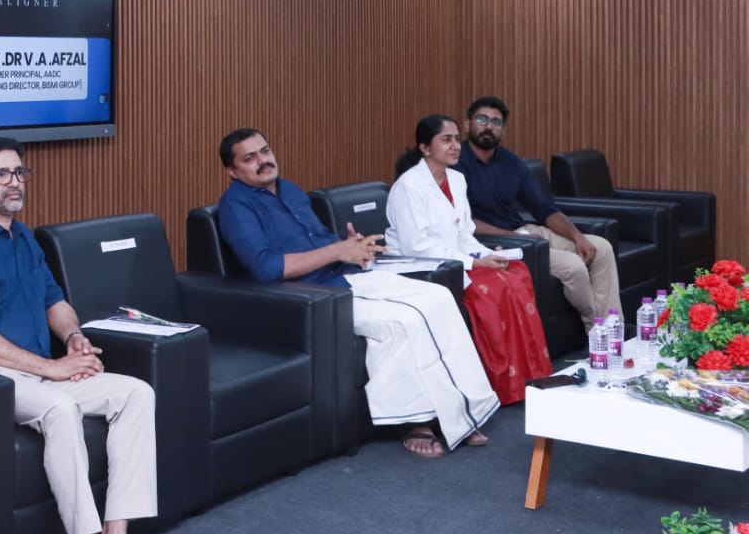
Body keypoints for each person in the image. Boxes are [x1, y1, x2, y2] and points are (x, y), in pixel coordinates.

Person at [0, 138, 172, 534]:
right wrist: (51, 368)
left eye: (20, 172)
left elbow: (55, 300)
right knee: (59, 408)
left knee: (136, 393)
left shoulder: (25, 238)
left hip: (40, 369)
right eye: (1, 175)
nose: (15, 182)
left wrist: (72, 336)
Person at [217, 128, 498, 459]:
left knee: (439, 297)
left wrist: (353, 246)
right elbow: (265, 267)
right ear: (232, 171)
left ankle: (469, 409)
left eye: (265, 151)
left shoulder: (290, 190)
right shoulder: (235, 205)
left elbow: (320, 240)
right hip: (311, 295)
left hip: (346, 275)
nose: (263, 161)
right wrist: (337, 251)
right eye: (250, 158)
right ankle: (416, 422)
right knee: (405, 320)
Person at [385, 115, 552, 405]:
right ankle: (501, 383)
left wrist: (485, 254)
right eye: (445, 140)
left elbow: (464, 234)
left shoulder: (457, 179)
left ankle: (529, 374)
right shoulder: (408, 186)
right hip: (426, 268)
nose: (455, 146)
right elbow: (418, 247)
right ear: (425, 148)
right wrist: (473, 263)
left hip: (459, 260)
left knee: (516, 274)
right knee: (493, 289)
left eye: (456, 139)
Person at [457, 95, 620, 331]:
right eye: (482, 119)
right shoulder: (456, 164)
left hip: (523, 231)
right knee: (573, 266)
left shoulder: (510, 161)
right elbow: (465, 223)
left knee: (601, 248)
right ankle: (598, 329)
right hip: (491, 241)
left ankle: (613, 329)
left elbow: (544, 208)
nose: (489, 126)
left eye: (496, 122)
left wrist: (577, 236)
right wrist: (516, 238)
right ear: (467, 124)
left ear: (503, 131)